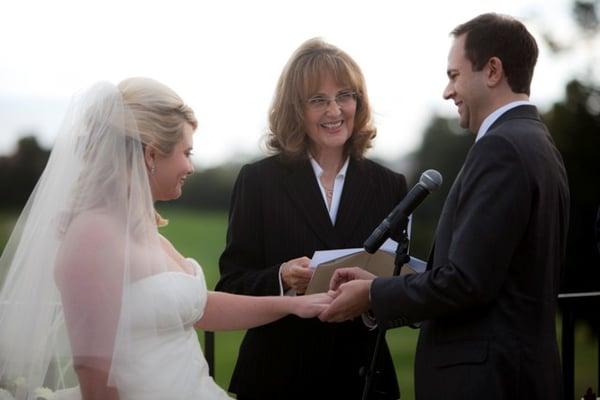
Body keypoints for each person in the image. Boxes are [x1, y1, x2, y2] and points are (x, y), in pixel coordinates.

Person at [0, 77, 332, 400]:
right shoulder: (92, 235)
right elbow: (93, 373)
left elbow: (199, 306)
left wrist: (294, 304)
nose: (191, 166)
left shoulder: (140, 228)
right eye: (186, 152)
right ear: (151, 155)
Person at [320, 13, 570, 400]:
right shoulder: (538, 143)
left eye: (454, 75)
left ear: (492, 71)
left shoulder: (500, 148)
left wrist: (375, 296)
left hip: (488, 383)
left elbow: (466, 281)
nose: (447, 91)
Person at [215, 38, 406, 400]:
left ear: (359, 102)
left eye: (344, 96)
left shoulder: (390, 186)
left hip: (364, 380)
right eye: (318, 100)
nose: (334, 110)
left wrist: (370, 301)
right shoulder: (258, 181)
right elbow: (231, 286)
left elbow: (403, 291)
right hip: (276, 378)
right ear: (295, 110)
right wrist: (281, 277)